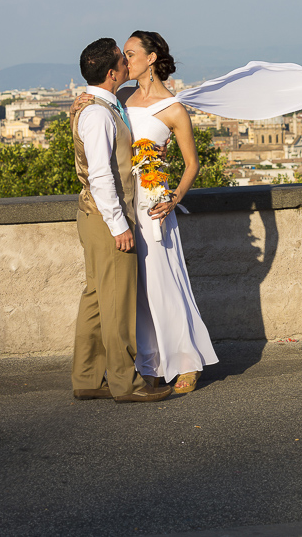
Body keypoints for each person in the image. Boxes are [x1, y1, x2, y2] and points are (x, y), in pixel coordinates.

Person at [73, 31, 218, 394]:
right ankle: (149, 361)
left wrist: (173, 198)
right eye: (123, 54)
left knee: (162, 283)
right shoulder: (117, 99)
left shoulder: (173, 108)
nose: (125, 58)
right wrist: (82, 101)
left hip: (152, 207)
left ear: (151, 59)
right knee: (132, 292)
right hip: (121, 208)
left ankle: (186, 360)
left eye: (131, 52)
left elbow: (191, 164)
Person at [70, 38, 172, 403]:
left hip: (91, 216)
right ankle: (126, 384)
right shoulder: (98, 114)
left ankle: (86, 378)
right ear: (112, 73)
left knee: (96, 298)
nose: (128, 65)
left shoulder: (97, 105)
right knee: (117, 303)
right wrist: (120, 227)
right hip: (105, 218)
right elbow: (102, 176)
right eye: (122, 60)